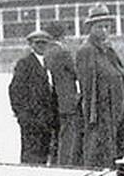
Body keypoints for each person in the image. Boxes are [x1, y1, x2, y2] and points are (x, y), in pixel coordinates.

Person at [75, 3, 124, 168]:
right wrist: (92, 118)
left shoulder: (109, 50)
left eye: (107, 27)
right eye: (99, 27)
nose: (104, 31)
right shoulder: (86, 51)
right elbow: (87, 88)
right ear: (90, 28)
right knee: (101, 153)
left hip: (119, 111)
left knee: (122, 148)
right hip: (102, 113)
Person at [8, 29, 58, 164]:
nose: (41, 46)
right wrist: (22, 115)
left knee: (43, 152)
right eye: (38, 43)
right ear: (31, 45)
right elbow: (14, 90)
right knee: (30, 154)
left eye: (44, 43)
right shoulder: (24, 63)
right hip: (31, 119)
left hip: (45, 118)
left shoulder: (47, 63)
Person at [45, 21, 81, 165]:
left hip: (53, 100)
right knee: (67, 134)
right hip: (67, 99)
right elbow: (76, 73)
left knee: (55, 134)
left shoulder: (46, 52)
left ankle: (53, 163)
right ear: (62, 35)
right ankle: (64, 163)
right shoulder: (63, 52)